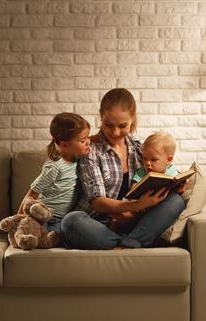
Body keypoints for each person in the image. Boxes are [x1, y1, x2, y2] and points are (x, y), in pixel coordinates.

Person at [61, 88, 185, 249]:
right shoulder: (90, 150)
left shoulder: (137, 147)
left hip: (133, 222)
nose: (115, 132)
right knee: (71, 221)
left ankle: (128, 241)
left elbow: (159, 170)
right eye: (108, 125)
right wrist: (136, 205)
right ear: (101, 118)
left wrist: (176, 184)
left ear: (133, 120)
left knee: (175, 201)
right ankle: (132, 242)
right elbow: (98, 203)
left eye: (122, 125)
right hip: (97, 224)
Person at [17, 112, 91, 234]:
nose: (88, 142)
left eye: (88, 137)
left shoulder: (78, 158)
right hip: (48, 217)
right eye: (83, 140)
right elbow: (32, 192)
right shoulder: (55, 167)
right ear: (64, 144)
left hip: (64, 218)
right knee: (54, 235)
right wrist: (19, 220)